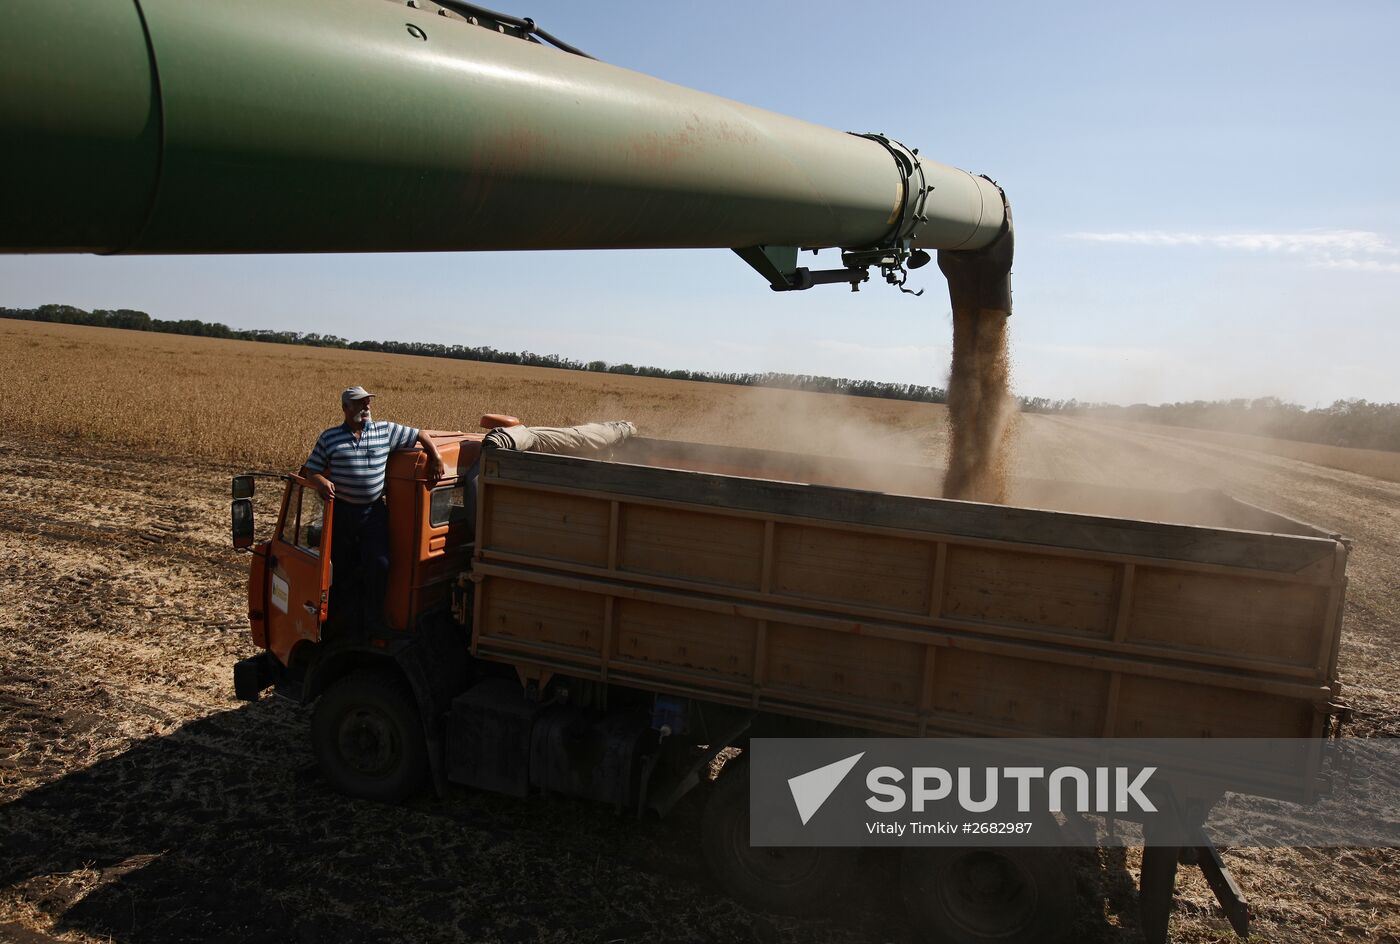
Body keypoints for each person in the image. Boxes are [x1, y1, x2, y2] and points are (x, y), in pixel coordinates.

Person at [302, 385, 445, 630]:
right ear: (345, 408)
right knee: (342, 568)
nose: (366, 407)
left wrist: (436, 457)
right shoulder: (329, 437)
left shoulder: (385, 431)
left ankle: (373, 622)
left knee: (379, 565)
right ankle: (340, 622)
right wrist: (321, 481)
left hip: (373, 513)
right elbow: (309, 471)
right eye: (359, 403)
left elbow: (420, 434)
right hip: (343, 513)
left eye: (368, 402)